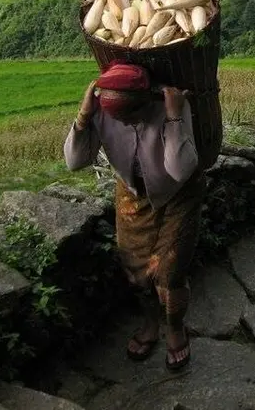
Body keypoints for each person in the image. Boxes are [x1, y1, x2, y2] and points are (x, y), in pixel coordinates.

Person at [63, 62, 203, 370]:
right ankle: (150, 322)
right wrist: (84, 115)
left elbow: (179, 170)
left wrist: (174, 116)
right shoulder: (103, 110)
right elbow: (75, 162)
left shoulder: (171, 105)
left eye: (130, 116)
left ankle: (175, 328)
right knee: (134, 267)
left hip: (178, 194)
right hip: (132, 193)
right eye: (119, 118)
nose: (124, 123)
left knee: (171, 271)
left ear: (144, 103)